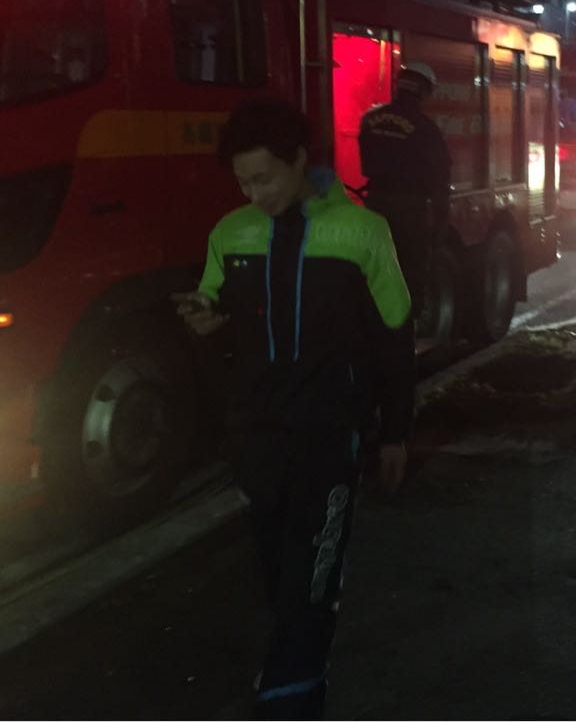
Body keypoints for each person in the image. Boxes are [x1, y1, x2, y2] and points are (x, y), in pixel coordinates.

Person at [173, 96, 414, 718]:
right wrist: (205, 325)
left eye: (265, 178)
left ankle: (287, 699)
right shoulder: (231, 234)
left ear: (299, 160)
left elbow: (394, 336)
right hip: (257, 440)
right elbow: (218, 326)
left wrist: (395, 431)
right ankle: (293, 673)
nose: (254, 194)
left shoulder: (362, 232)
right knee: (279, 574)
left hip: (330, 437)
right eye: (243, 182)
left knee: (313, 579)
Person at [358, 61, 452, 318]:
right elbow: (440, 180)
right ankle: (407, 323)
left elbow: (365, 163)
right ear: (424, 90)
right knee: (410, 271)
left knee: (374, 267)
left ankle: (371, 318)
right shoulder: (426, 128)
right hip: (410, 210)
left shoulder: (369, 120)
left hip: (375, 204)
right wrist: (441, 222)